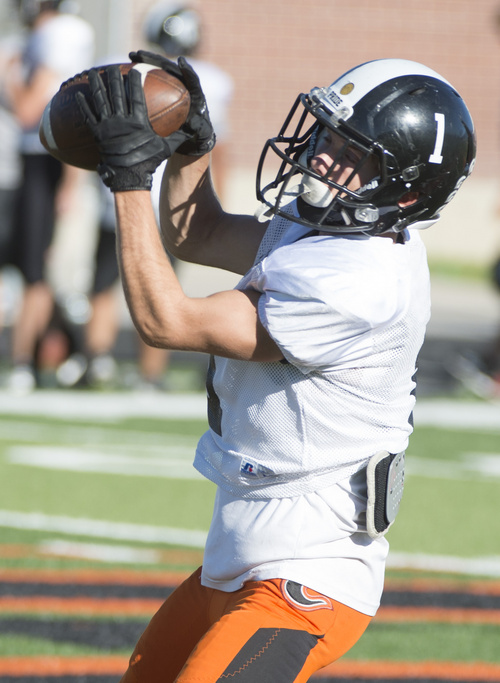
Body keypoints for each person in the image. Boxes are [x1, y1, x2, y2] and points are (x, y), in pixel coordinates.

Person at [75, 53, 475, 682]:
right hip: (243, 544)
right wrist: (190, 148)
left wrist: (127, 177)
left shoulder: (363, 282)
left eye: (352, 152)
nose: (321, 155)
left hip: (306, 573)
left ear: (402, 186)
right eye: (327, 134)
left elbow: (166, 322)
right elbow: (196, 235)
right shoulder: (336, 228)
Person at [57, 1, 233, 390]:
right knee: (160, 286)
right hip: (168, 202)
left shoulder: (121, 70)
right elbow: (217, 150)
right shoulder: (209, 80)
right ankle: (147, 375)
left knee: (105, 283)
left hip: (122, 197)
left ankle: (97, 361)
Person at [4, 0, 94, 393]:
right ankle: (64, 354)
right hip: (41, 165)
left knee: (37, 272)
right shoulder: (55, 35)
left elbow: (28, 109)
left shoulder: (57, 35)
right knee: (35, 270)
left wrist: (8, 73)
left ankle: (29, 361)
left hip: (44, 164)